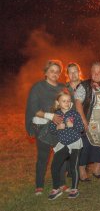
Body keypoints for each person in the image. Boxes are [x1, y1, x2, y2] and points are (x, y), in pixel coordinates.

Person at [25, 59, 65, 195]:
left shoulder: (62, 88)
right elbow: (33, 109)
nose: (54, 74)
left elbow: (68, 102)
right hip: (42, 127)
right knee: (43, 156)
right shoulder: (38, 87)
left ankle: (62, 182)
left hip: (59, 126)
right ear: (46, 73)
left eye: (57, 71)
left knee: (61, 154)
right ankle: (39, 185)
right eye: (51, 71)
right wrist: (50, 116)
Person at [74, 62, 100, 181]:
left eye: (99, 72)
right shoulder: (84, 86)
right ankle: (82, 171)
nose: (96, 74)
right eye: (94, 72)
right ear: (90, 73)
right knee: (85, 147)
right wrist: (84, 120)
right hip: (90, 121)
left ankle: (96, 169)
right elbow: (78, 102)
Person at [48, 90, 84, 199]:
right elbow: (51, 130)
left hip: (75, 144)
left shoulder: (74, 113)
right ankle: (56, 188)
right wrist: (57, 127)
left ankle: (74, 188)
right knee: (55, 166)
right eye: (63, 101)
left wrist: (72, 125)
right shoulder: (56, 115)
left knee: (73, 166)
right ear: (58, 102)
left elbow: (81, 128)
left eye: (68, 101)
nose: (66, 103)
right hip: (63, 144)